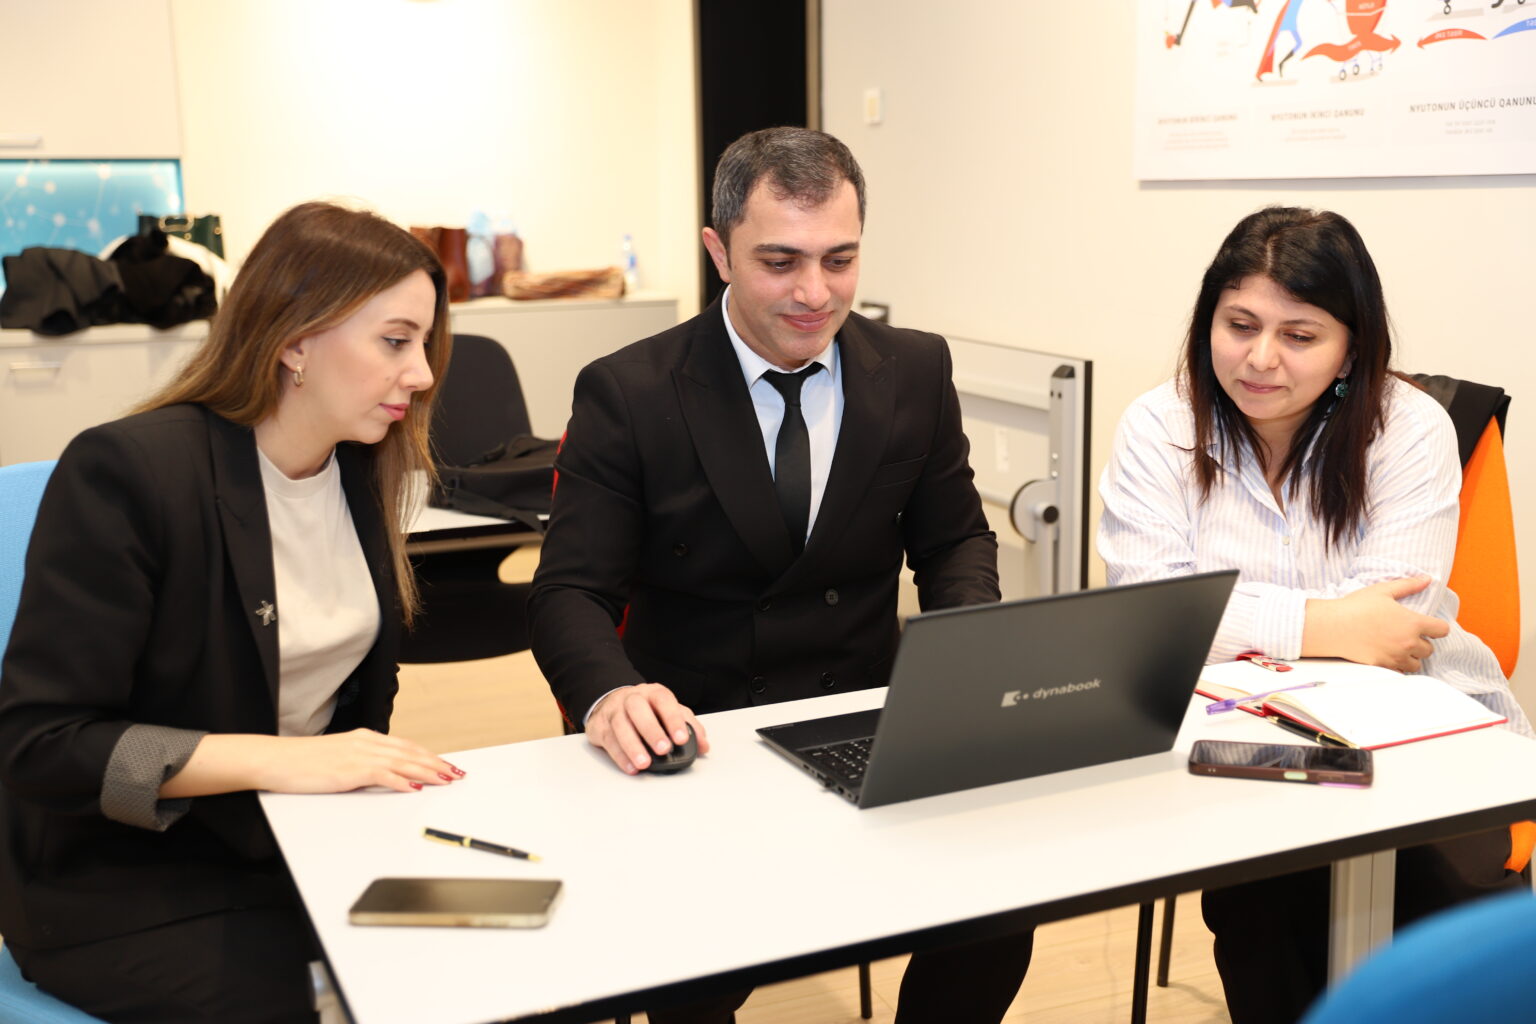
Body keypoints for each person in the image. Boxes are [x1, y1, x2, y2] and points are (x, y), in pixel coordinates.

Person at [528, 127, 1033, 1023]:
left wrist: (963, 652)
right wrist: (611, 695)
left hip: (863, 720)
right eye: (780, 262)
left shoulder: (915, 369)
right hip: (703, 739)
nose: (815, 293)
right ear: (719, 251)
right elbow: (571, 590)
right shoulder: (631, 391)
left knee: (1000, 914)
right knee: (694, 978)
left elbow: (955, 542)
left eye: (840, 259)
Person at [0, 201, 466, 1023]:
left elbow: (353, 702)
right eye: (396, 341)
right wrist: (278, 763)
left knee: (481, 962)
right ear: (294, 341)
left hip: (296, 841)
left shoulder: (359, 467)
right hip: (129, 879)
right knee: (355, 1004)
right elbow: (45, 747)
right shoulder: (131, 473)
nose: (423, 374)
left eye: (424, 344)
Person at [1097, 206, 1532, 1024]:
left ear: (1351, 348)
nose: (1261, 358)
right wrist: (1331, 625)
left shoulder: (1409, 429)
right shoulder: (1159, 426)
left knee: (1455, 928)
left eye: (1299, 335)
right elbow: (1151, 614)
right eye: (1240, 325)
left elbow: (1396, 631)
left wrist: (1224, 615)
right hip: (1235, 740)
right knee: (1261, 912)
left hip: (1418, 724)